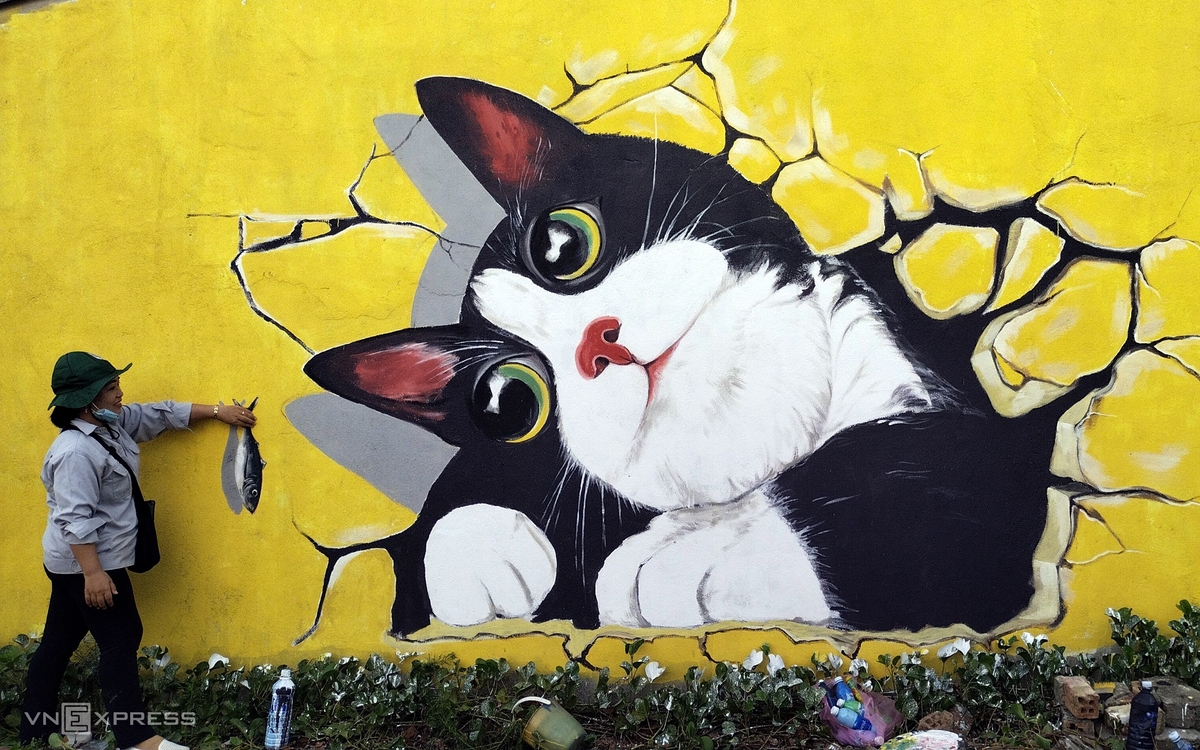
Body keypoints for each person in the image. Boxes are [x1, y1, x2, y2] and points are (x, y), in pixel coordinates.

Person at [20, 352, 257, 750]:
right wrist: (94, 575)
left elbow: (157, 414)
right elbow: (75, 519)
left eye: (115, 385)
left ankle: (32, 734)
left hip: (78, 562)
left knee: (58, 645)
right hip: (86, 563)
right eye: (110, 388)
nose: (119, 394)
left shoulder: (109, 428)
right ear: (87, 400)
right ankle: (136, 739)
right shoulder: (75, 452)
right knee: (121, 638)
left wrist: (217, 412)